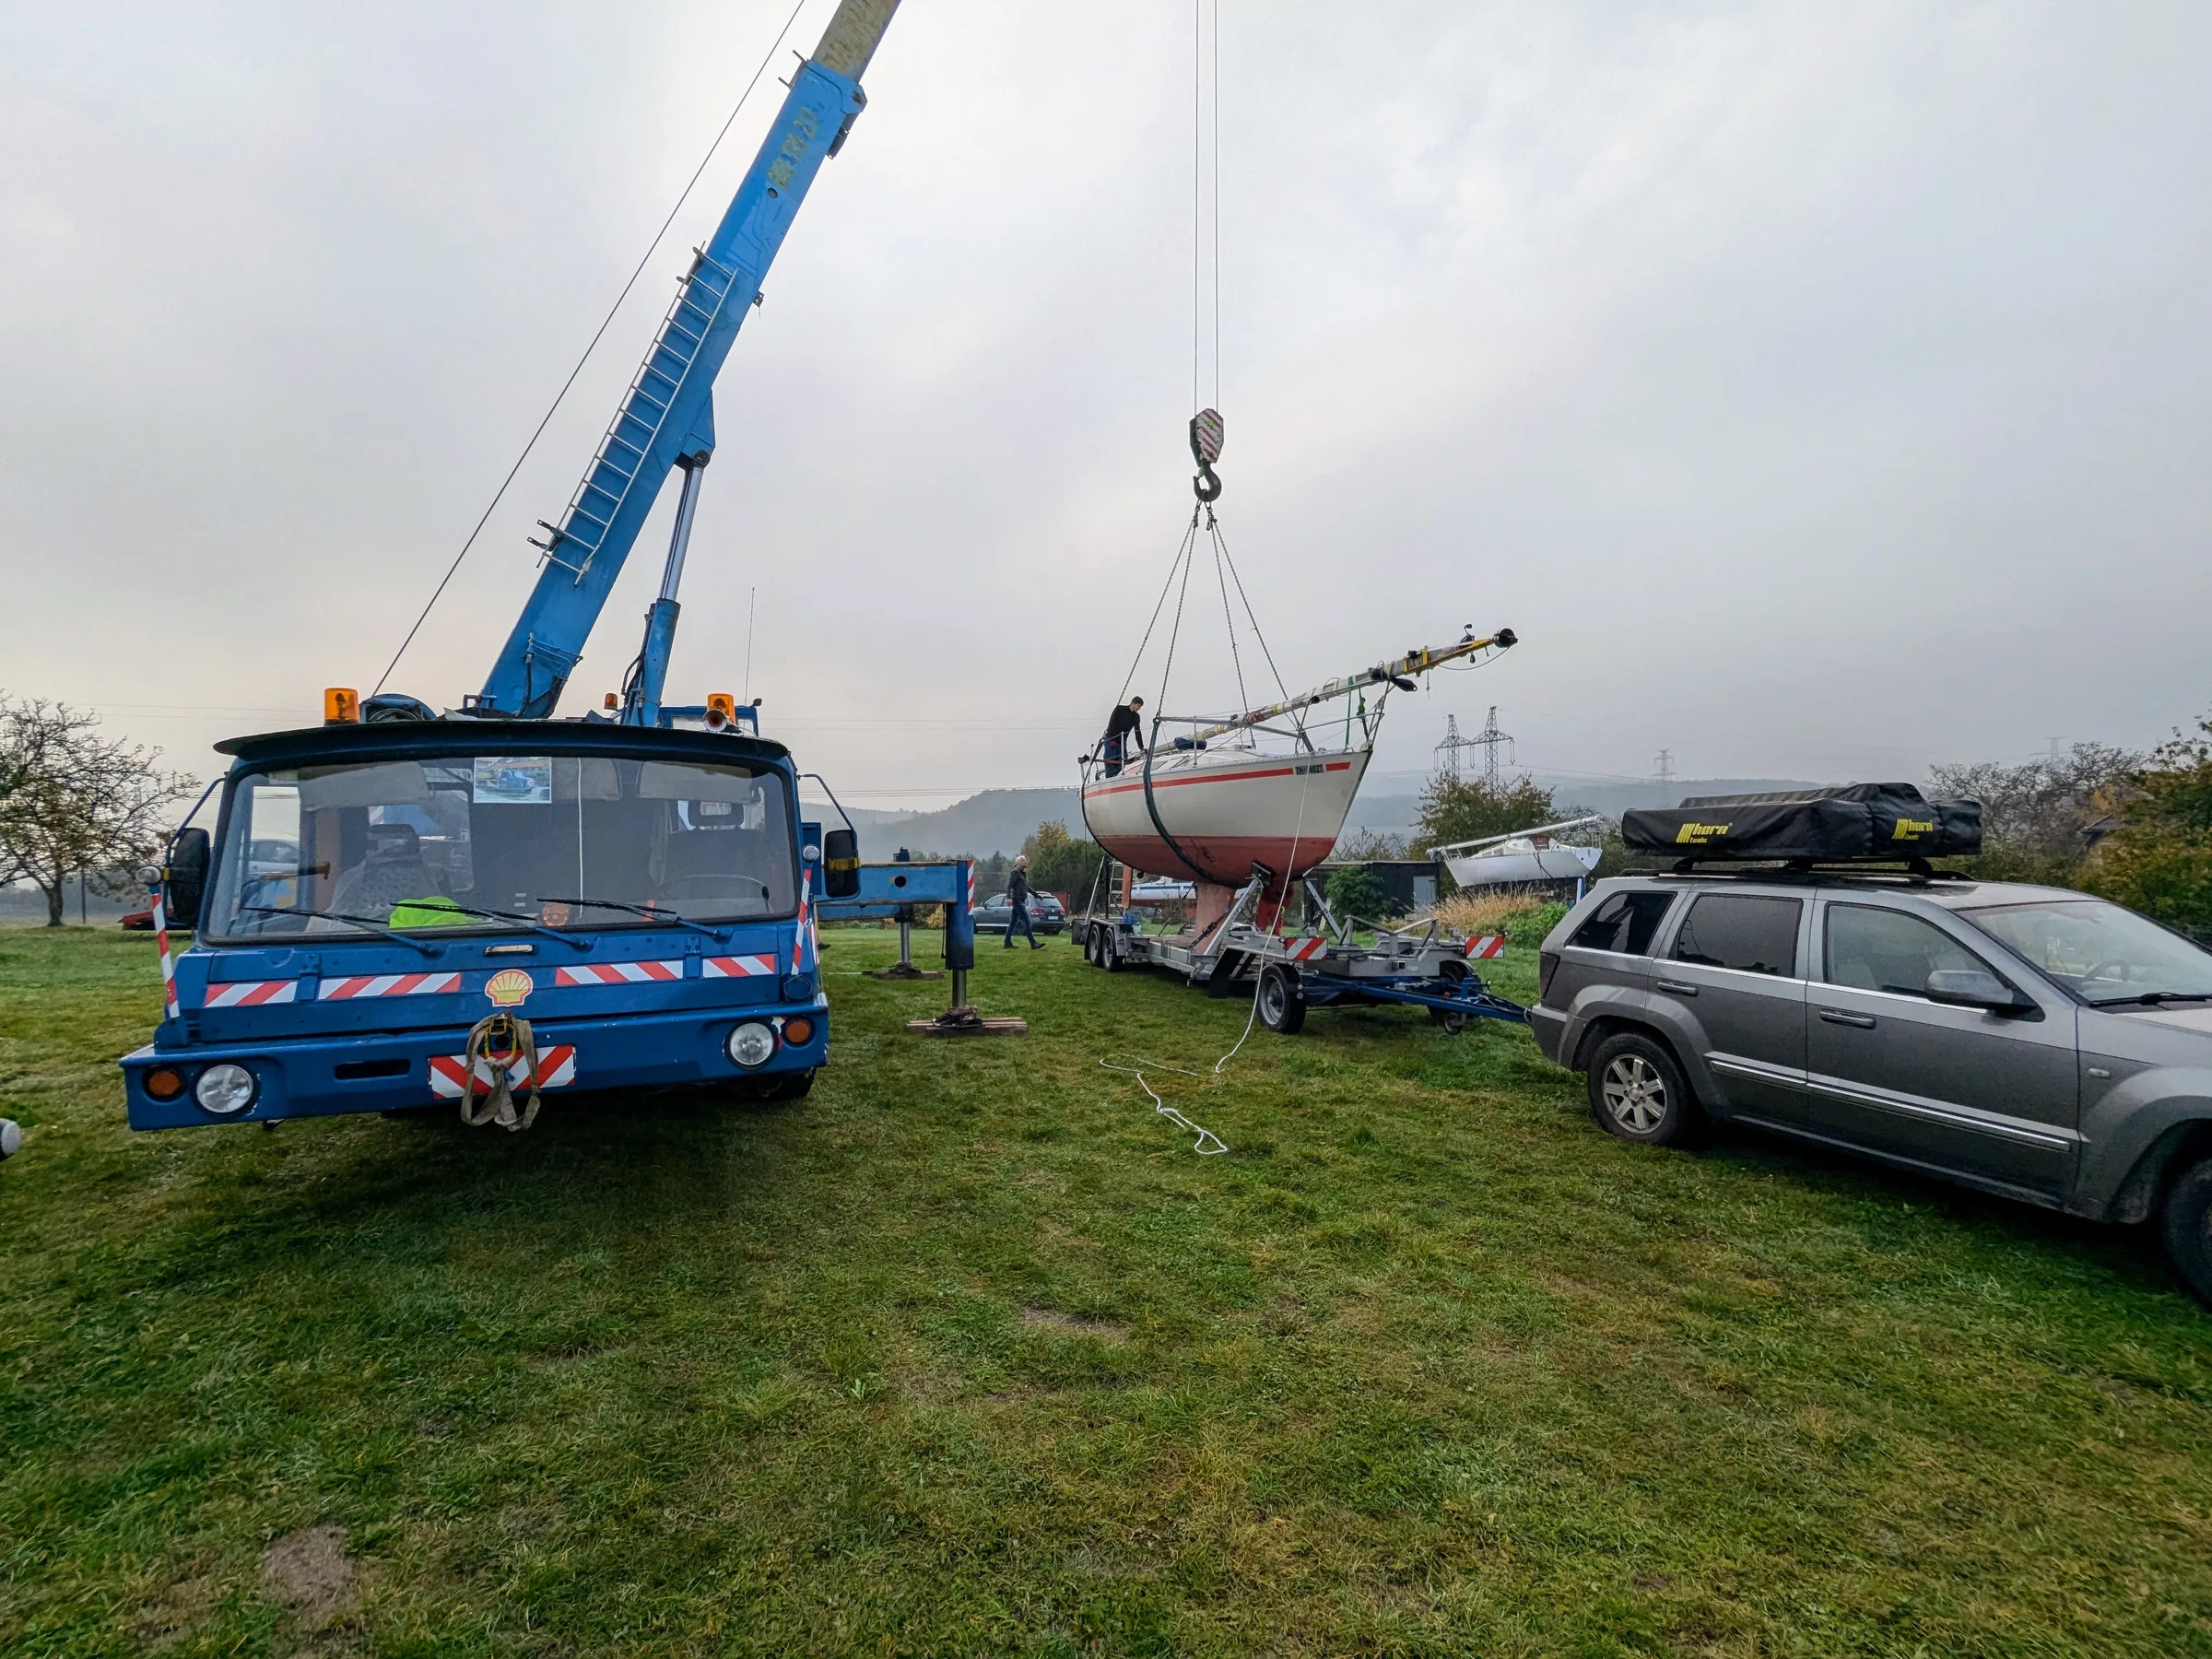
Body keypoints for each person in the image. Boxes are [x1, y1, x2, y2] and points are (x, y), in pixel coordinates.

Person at [1004, 855, 1042, 949]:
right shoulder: (1015, 872)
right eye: (1023, 860)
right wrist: (1009, 898)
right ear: (1018, 863)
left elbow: (1027, 887)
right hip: (1017, 900)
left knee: (1013, 922)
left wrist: (1036, 894)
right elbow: (1009, 886)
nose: (1025, 862)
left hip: (1021, 900)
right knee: (1027, 920)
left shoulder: (1022, 874)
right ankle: (1033, 943)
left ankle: (1007, 943)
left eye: (1025, 860)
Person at [1100, 696, 1144, 777]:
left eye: (1140, 707)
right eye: (1138, 706)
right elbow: (1112, 723)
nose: (1139, 709)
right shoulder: (1119, 709)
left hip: (1122, 741)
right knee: (1110, 760)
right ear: (1133, 703)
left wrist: (1141, 747)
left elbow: (1137, 732)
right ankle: (1110, 777)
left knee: (1123, 761)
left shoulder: (1136, 717)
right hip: (1111, 739)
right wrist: (1112, 739)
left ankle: (1116, 775)